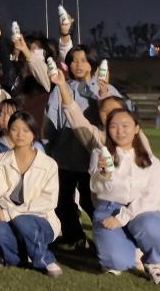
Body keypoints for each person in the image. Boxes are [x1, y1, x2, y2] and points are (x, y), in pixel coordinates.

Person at [44, 44, 120, 249]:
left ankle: (108, 237)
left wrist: (103, 95)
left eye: (83, 60)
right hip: (65, 156)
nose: (78, 65)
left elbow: (121, 116)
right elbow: (51, 120)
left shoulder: (106, 88)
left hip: (93, 159)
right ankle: (75, 238)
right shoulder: (61, 87)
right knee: (62, 200)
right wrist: (47, 147)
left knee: (91, 201)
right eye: (73, 61)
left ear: (92, 63)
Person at [89, 109, 160, 285]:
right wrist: (104, 175)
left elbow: (151, 196)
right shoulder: (100, 154)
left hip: (141, 210)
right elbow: (95, 188)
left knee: (153, 226)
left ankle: (153, 263)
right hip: (108, 209)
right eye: (113, 126)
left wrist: (122, 218)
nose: (120, 131)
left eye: (125, 126)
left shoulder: (151, 161)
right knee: (117, 262)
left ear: (136, 128)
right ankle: (126, 247)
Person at [0, 111, 63, 277]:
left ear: (34, 133)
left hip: (41, 221)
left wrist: (10, 214)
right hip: (9, 222)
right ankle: (23, 258)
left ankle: (46, 260)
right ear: (8, 131)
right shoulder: (0, 159)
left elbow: (49, 201)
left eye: (26, 130)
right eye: (15, 129)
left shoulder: (48, 164)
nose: (20, 135)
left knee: (23, 221)